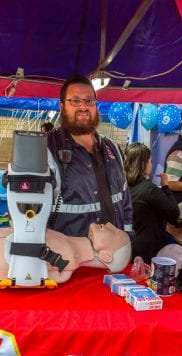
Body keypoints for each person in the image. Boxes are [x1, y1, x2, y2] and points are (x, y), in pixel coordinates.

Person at [46, 75, 133, 237]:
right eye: (75, 101)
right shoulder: (46, 148)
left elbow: (125, 201)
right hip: (69, 251)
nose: (83, 106)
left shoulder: (112, 148)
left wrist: (127, 237)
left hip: (114, 248)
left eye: (89, 100)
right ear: (62, 106)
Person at [0, 223, 131, 285]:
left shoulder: (65, 264)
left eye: (115, 232)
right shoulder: (67, 248)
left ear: (106, 256)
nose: (110, 224)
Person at [125, 143, 180, 263]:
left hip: (128, 247)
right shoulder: (150, 190)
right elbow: (174, 214)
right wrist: (166, 186)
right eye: (150, 161)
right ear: (143, 164)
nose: (151, 164)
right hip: (148, 251)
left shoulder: (123, 187)